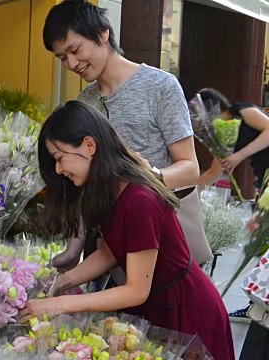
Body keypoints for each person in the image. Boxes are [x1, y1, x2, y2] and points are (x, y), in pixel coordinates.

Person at [19, 101, 234, 359]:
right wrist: (59, 283)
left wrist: (59, 304)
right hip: (158, 307)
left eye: (60, 158)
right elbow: (110, 253)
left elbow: (135, 289)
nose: (58, 169)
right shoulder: (114, 191)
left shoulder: (139, 199)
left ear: (89, 146)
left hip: (186, 312)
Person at [43, 0, 208, 273]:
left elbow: (190, 168)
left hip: (159, 239)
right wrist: (74, 248)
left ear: (103, 32)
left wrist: (139, 181)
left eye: (75, 50)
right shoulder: (85, 102)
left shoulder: (160, 86)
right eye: (62, 58)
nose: (71, 63)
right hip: (108, 246)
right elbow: (86, 184)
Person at [196, 88, 269, 190]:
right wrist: (187, 189)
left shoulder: (241, 110)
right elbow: (215, 172)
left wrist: (238, 156)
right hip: (262, 172)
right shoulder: (222, 134)